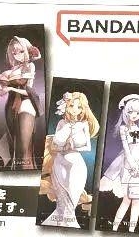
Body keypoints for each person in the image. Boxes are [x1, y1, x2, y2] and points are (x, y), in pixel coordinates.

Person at [41, 91, 100, 228]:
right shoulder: (62, 123)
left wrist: (73, 146)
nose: (75, 109)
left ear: (83, 109)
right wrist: (64, 146)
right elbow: (54, 145)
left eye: (79, 107)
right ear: (66, 106)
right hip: (59, 163)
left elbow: (88, 147)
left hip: (76, 164)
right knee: (62, 204)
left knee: (70, 206)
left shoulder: (84, 124)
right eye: (72, 105)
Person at [99, 93, 139, 232]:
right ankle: (115, 228)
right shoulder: (123, 128)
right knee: (126, 199)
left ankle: (131, 230)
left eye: (137, 112)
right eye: (130, 112)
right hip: (128, 163)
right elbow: (126, 148)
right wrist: (133, 163)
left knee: (136, 201)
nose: (134, 115)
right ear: (125, 112)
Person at [0, 35, 42, 169]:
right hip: (10, 106)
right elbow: (1, 92)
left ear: (27, 50)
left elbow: (29, 91)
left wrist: (11, 88)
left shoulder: (30, 66)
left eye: (21, 51)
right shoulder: (9, 71)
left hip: (26, 103)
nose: (17, 55)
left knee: (23, 149)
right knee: (15, 147)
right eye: (14, 52)